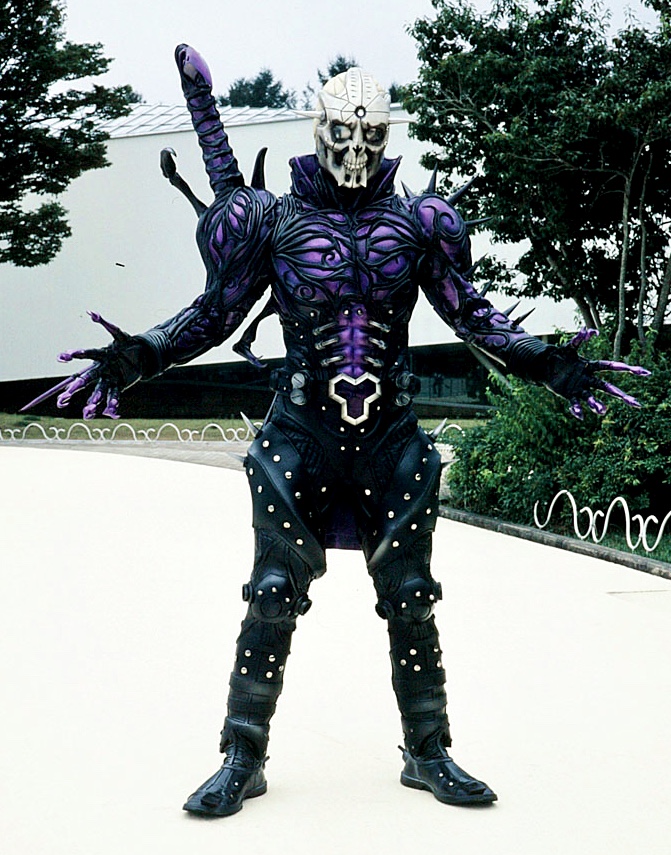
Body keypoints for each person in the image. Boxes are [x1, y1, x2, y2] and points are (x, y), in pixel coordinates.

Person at [24, 45, 649, 817]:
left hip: (389, 434)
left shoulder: (418, 223)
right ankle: (242, 754)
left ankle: (427, 750)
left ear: (386, 137)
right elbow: (213, 314)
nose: (355, 152)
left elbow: (472, 315)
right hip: (301, 430)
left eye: (371, 137)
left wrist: (555, 366)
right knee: (272, 592)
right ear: (317, 130)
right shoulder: (274, 222)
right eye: (341, 135)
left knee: (412, 596)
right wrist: (136, 357)